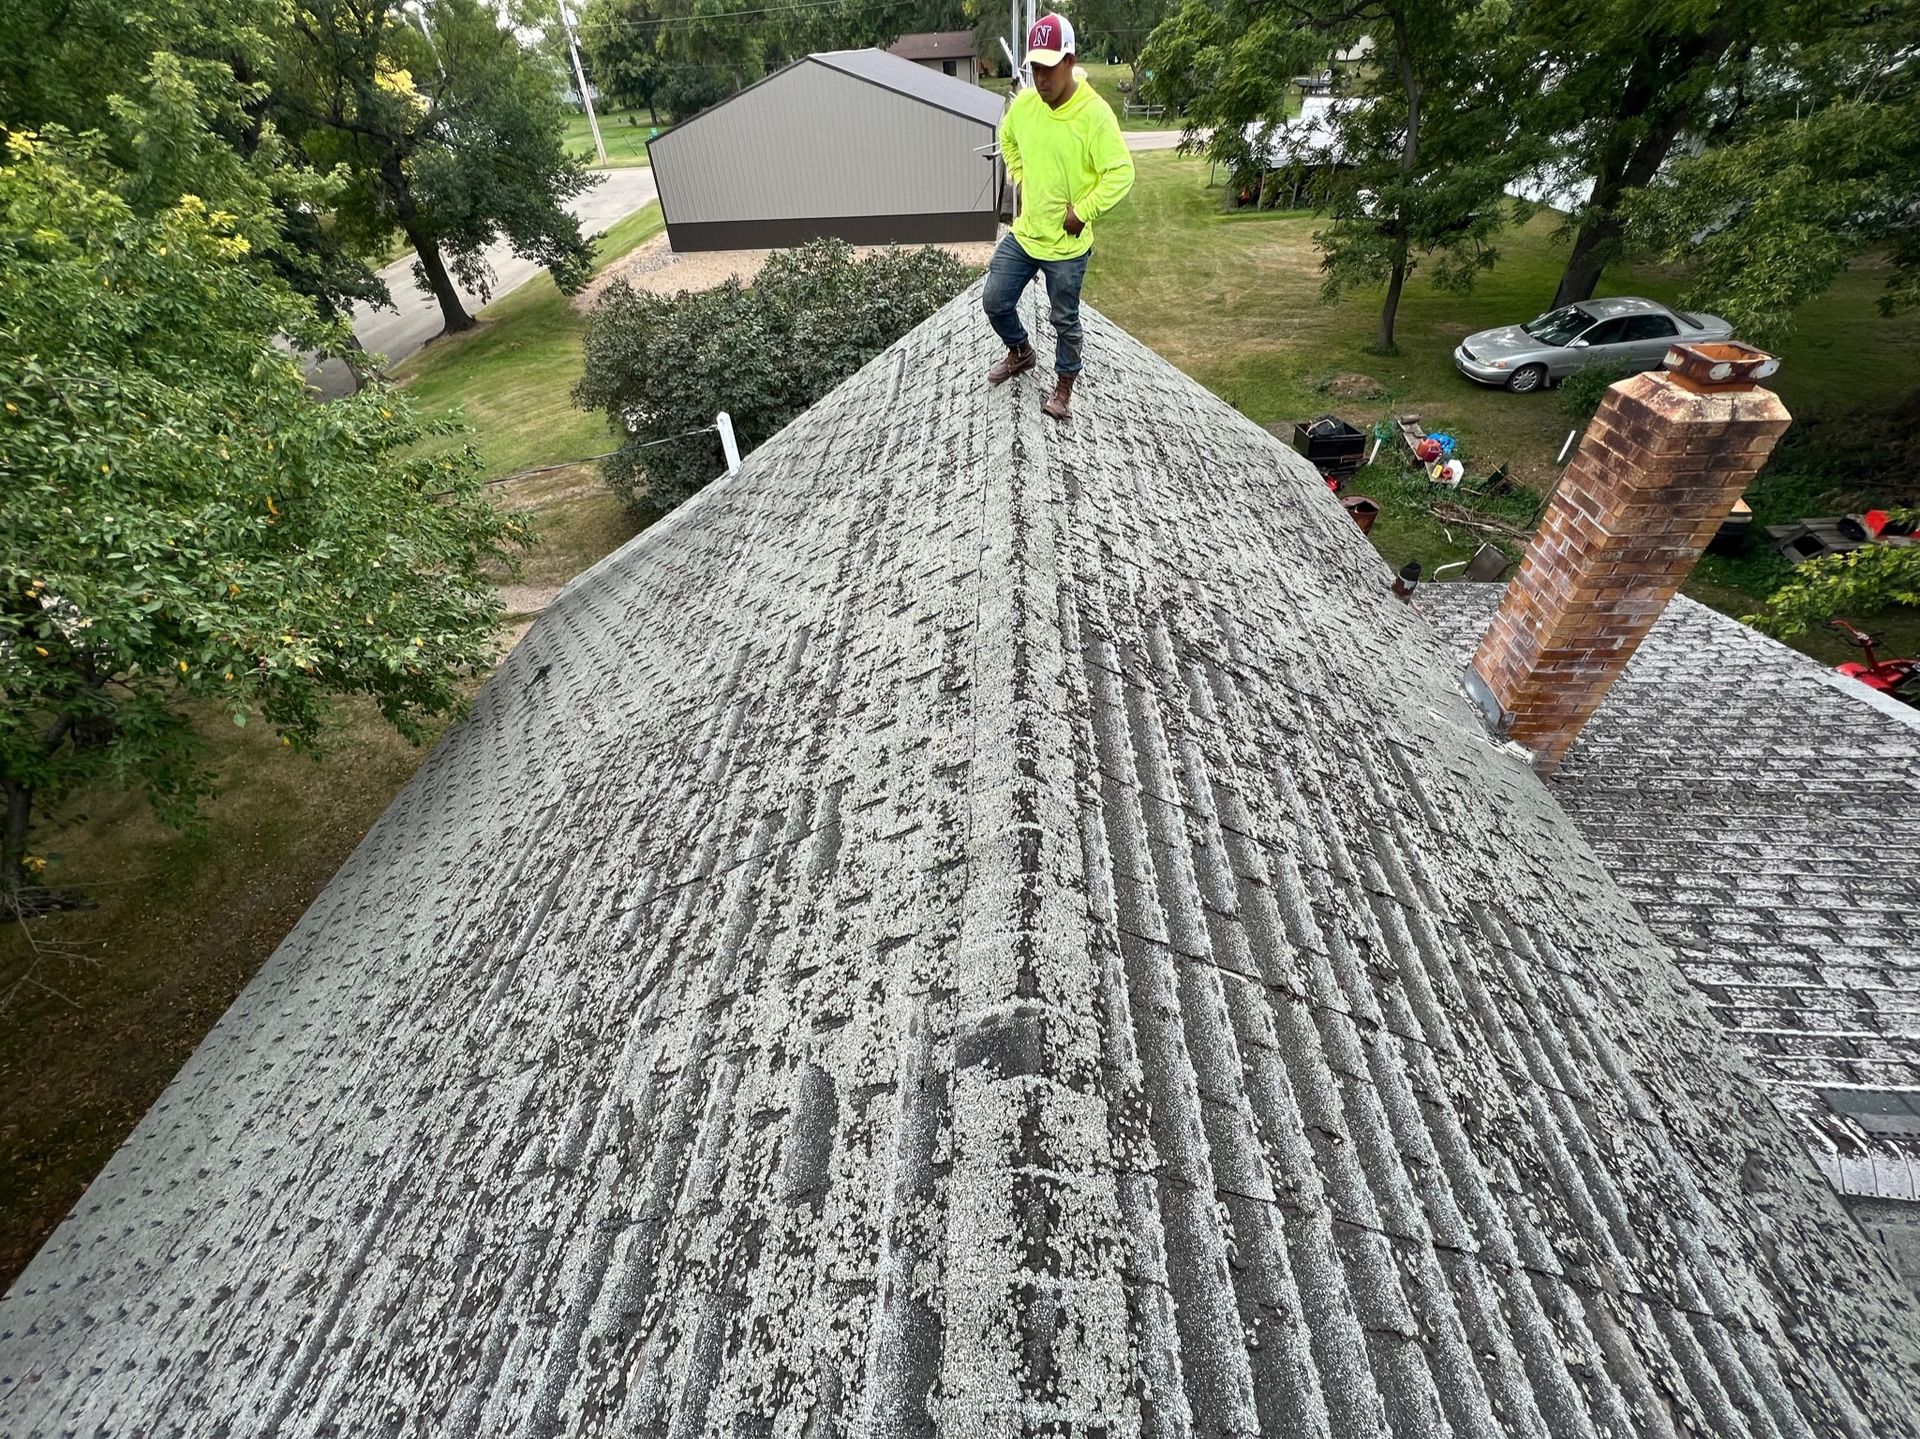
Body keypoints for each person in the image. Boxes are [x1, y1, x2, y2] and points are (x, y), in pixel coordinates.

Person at [983, 14, 1135, 421]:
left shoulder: (1095, 115)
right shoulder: (1028, 103)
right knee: (995, 300)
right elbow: (1007, 134)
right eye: (1034, 68)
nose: (1041, 78)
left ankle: (1065, 384)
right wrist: (1018, 173)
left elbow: (1122, 172)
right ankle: (1021, 352)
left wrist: (1084, 211)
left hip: (1067, 246)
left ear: (1070, 61)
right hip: (1028, 233)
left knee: (1064, 319)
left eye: (1049, 68)